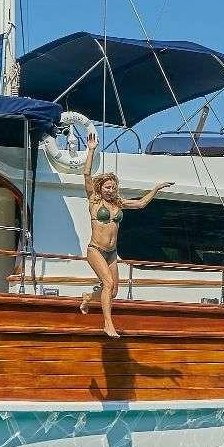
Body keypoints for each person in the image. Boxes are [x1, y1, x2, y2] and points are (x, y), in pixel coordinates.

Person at [79, 130, 167, 338]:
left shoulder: (118, 203)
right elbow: (86, 174)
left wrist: (156, 189)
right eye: (107, 187)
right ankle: (108, 324)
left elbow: (141, 203)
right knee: (108, 284)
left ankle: (88, 297)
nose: (111, 189)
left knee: (114, 291)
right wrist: (91, 151)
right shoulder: (94, 200)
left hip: (111, 253)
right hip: (96, 250)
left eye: (113, 187)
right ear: (101, 188)